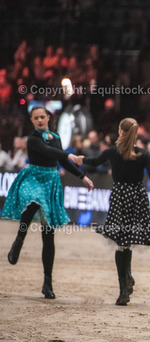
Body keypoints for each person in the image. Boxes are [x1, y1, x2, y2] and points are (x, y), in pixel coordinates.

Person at [80, 118, 150, 306]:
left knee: (120, 243)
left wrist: (78, 159)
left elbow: (94, 162)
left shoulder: (112, 152)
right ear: (136, 133)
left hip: (119, 198)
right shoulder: (143, 155)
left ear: (120, 131)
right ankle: (128, 277)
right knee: (128, 241)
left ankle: (123, 289)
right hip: (137, 199)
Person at [4, 106, 93, 299]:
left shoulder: (56, 137)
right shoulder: (33, 139)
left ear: (48, 118)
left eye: (42, 117)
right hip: (34, 177)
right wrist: (69, 154)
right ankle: (19, 240)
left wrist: (82, 177)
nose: (39, 120)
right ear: (32, 120)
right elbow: (48, 151)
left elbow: (62, 161)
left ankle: (47, 283)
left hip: (51, 181)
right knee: (34, 200)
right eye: (35, 118)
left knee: (48, 235)